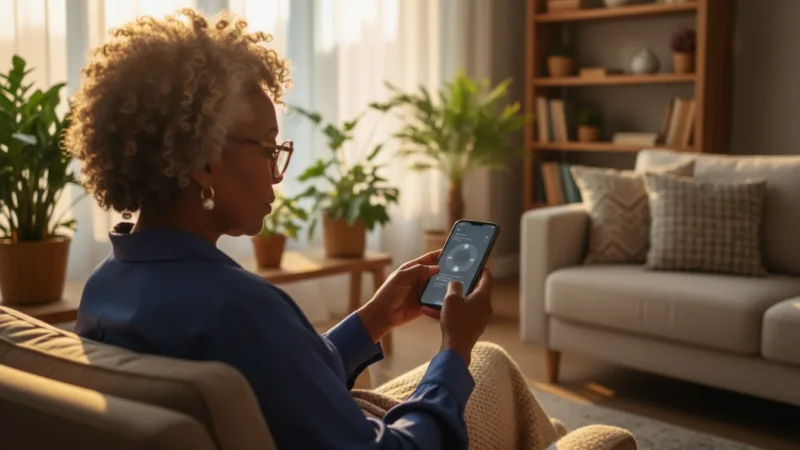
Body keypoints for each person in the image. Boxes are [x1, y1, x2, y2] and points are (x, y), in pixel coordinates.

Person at [67, 9, 564, 450]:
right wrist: (455, 346)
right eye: (266, 149)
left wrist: (373, 320)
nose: (276, 172)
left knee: (494, 366)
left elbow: (277, 377)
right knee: (574, 421)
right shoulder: (241, 309)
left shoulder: (105, 289)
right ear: (201, 162)